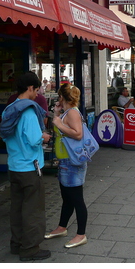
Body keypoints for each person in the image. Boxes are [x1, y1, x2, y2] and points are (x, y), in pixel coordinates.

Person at [0, 71, 52, 261]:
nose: (37, 94)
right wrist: (44, 137)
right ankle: (30, 249)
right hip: (30, 167)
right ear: (30, 88)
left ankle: (17, 244)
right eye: (36, 90)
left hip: (14, 165)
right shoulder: (28, 111)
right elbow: (33, 139)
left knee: (17, 208)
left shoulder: (10, 108)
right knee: (33, 210)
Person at [45, 84, 88, 249]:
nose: (58, 100)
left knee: (77, 199)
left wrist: (58, 122)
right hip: (66, 161)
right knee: (67, 198)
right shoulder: (67, 113)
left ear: (62, 97)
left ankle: (81, 234)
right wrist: (57, 114)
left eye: (59, 97)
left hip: (72, 162)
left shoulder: (72, 113)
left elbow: (78, 134)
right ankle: (62, 227)